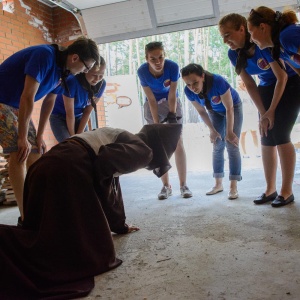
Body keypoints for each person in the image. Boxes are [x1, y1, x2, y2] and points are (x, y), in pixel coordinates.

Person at [0, 123, 182, 299]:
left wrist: (119, 225)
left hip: (43, 167)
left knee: (46, 235)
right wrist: (111, 222)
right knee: (95, 252)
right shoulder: (144, 150)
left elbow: (110, 178)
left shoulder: (121, 135)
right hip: (67, 169)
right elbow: (104, 166)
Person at [0, 36, 100, 220]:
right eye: (86, 67)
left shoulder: (65, 71)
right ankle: (26, 217)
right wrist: (22, 137)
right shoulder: (44, 56)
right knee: (18, 151)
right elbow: (28, 97)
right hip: (3, 100)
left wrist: (39, 136)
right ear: (75, 58)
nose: (85, 72)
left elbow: (50, 101)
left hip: (15, 104)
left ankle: (39, 208)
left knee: (36, 151)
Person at [219, 13, 300, 207]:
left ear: (242, 29)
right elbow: (250, 84)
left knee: (280, 134)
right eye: (222, 37)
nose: (225, 41)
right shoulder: (234, 54)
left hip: (289, 83)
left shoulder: (262, 44)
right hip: (266, 87)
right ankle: (269, 189)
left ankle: (286, 191)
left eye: (228, 34)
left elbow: (282, 77)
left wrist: (271, 111)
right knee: (266, 135)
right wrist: (263, 113)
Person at [137, 41, 192, 200]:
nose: (158, 62)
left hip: (171, 102)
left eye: (160, 57)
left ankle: (183, 185)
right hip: (152, 105)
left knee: (178, 143)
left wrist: (172, 115)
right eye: (153, 59)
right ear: (147, 59)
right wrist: (156, 125)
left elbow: (172, 93)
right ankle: (166, 186)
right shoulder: (142, 72)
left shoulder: (172, 67)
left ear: (164, 56)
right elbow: (151, 100)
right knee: (158, 146)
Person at [181, 63, 242, 199]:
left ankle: (233, 186)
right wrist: (212, 130)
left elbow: (229, 108)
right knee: (217, 145)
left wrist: (230, 132)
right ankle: (218, 183)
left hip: (233, 108)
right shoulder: (188, 91)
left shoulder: (218, 81)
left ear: (202, 76)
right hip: (213, 111)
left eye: (195, 83)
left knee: (232, 145)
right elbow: (202, 111)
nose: (193, 88)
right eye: (188, 84)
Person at [50, 56, 107, 142]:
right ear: (86, 71)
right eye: (94, 75)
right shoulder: (72, 81)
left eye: (101, 75)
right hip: (59, 116)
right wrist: (74, 137)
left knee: (85, 142)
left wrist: (80, 134)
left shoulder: (102, 84)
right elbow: (70, 114)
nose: (97, 79)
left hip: (78, 116)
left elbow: (87, 112)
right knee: (70, 145)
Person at [247, 6, 300, 72]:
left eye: (251, 33)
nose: (250, 40)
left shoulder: (286, 37)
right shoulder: (279, 48)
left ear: (262, 27)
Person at [236, 76, 260, 158]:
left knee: (254, 133)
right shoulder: (237, 92)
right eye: (238, 80)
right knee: (243, 134)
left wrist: (245, 89)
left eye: (241, 80)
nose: (240, 82)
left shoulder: (249, 89)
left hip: (252, 114)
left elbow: (253, 100)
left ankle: (257, 150)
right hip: (243, 115)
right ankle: (244, 153)